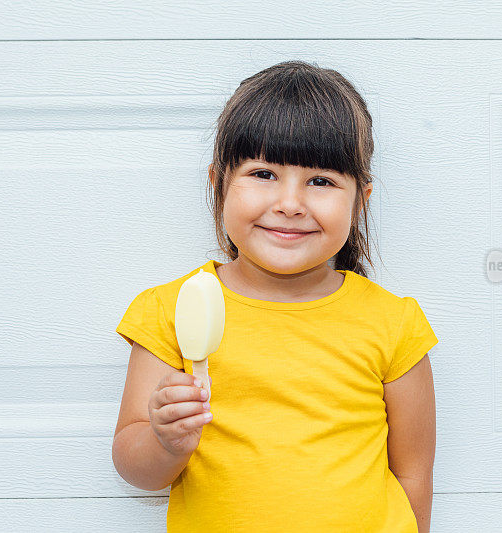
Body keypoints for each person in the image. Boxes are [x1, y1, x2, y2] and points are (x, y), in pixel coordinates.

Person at [112, 60, 439, 533]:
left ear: (360, 200)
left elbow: (413, 474)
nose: (289, 203)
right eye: (263, 174)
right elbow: (132, 466)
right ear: (218, 183)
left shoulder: (394, 323)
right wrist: (166, 443)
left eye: (321, 181)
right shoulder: (169, 310)